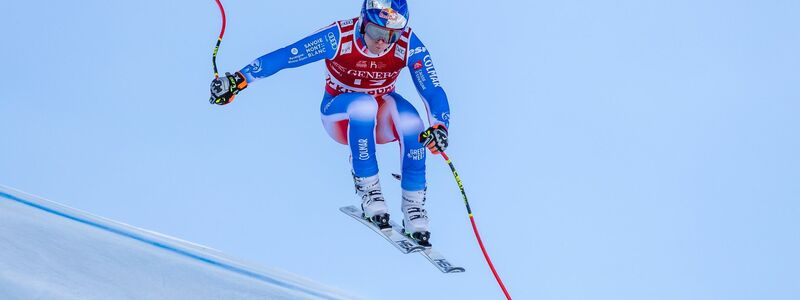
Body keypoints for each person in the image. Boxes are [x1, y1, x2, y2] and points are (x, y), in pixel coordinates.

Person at [209, 0, 449, 246]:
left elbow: (432, 90)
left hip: (380, 111)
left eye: (391, 36)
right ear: (363, 23)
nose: (382, 42)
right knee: (364, 105)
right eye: (377, 32)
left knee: (413, 122)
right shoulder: (339, 37)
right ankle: (370, 190)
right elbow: (286, 56)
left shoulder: (408, 44)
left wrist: (441, 127)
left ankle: (414, 206)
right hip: (341, 114)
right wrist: (238, 80)